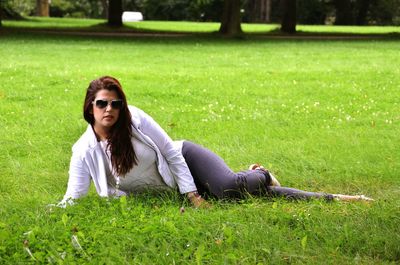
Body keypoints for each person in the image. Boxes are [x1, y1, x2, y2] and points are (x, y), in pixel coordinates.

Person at [60, 76, 373, 208]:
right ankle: (344, 199)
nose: (109, 110)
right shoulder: (84, 151)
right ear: (90, 107)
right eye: (102, 104)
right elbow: (72, 197)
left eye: (115, 104)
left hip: (185, 159)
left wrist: (194, 195)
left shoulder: (136, 118)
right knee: (257, 197)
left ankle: (260, 173)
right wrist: (54, 210)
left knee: (226, 189)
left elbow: (169, 151)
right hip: (175, 186)